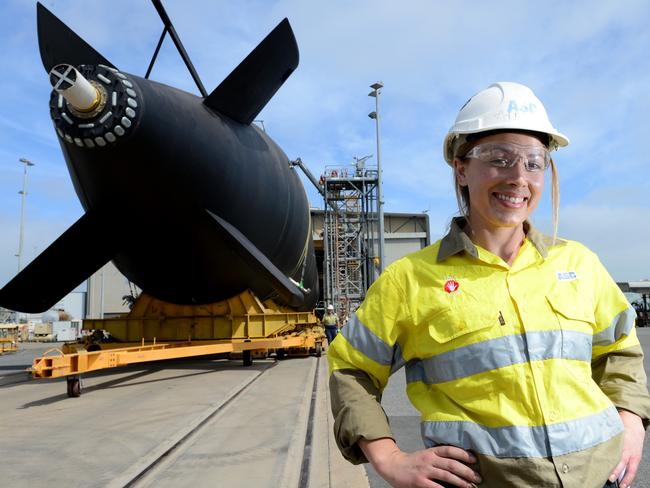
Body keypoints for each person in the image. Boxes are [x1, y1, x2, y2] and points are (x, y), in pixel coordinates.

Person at [327, 82, 650, 488]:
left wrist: (632, 420)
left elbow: (620, 350)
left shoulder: (579, 263)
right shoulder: (409, 280)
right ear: (461, 169)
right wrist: (389, 458)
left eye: (534, 162)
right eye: (500, 159)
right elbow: (350, 369)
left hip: (600, 477)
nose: (519, 177)